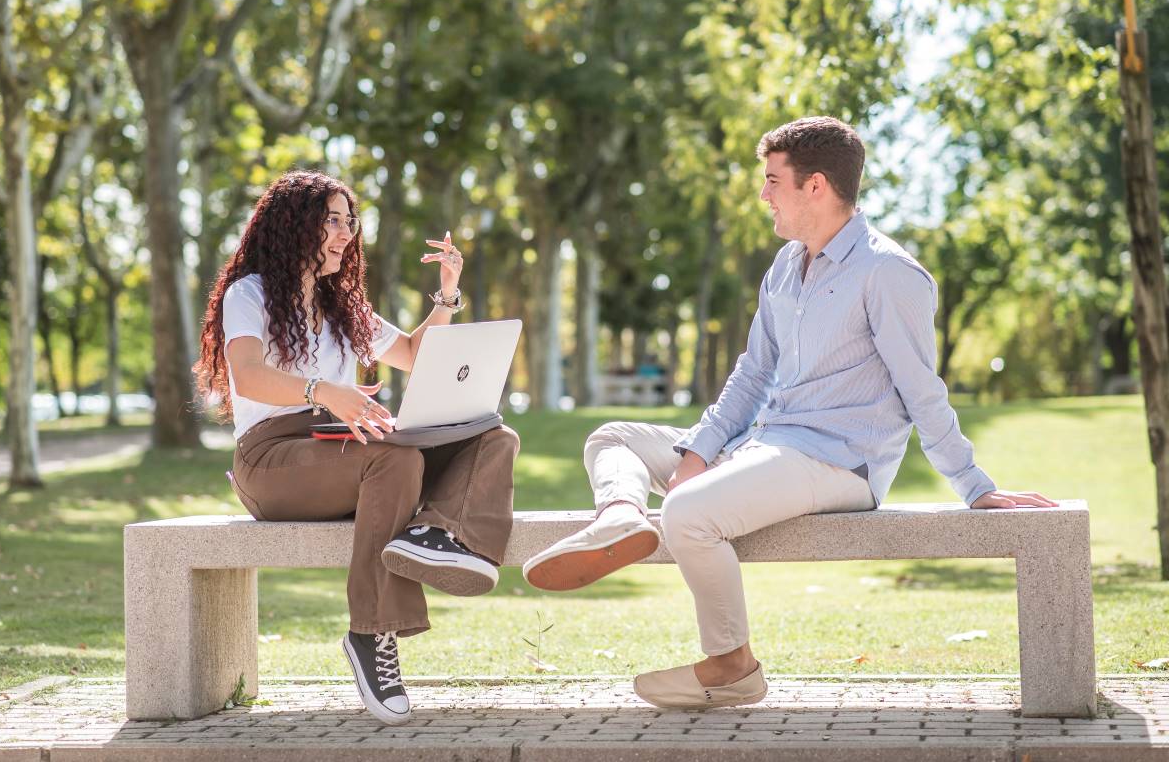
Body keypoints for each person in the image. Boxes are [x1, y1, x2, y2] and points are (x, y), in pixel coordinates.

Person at [521, 116, 1057, 710]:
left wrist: (974, 486)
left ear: (816, 186)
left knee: (688, 513)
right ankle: (621, 517)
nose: (763, 192)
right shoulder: (785, 266)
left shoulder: (889, 273)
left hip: (839, 463)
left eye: (773, 179)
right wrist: (698, 450)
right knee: (613, 437)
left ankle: (731, 665)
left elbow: (921, 391)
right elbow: (753, 372)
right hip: (768, 446)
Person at [196, 169, 518, 726]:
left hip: (349, 450)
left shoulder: (343, 306)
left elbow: (416, 354)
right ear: (294, 225)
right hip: (271, 460)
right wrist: (327, 393)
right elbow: (246, 375)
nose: (346, 232)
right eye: (333, 220)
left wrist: (447, 292)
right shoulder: (249, 294)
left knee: (492, 435)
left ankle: (432, 533)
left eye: (351, 220)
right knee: (393, 457)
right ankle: (372, 635)